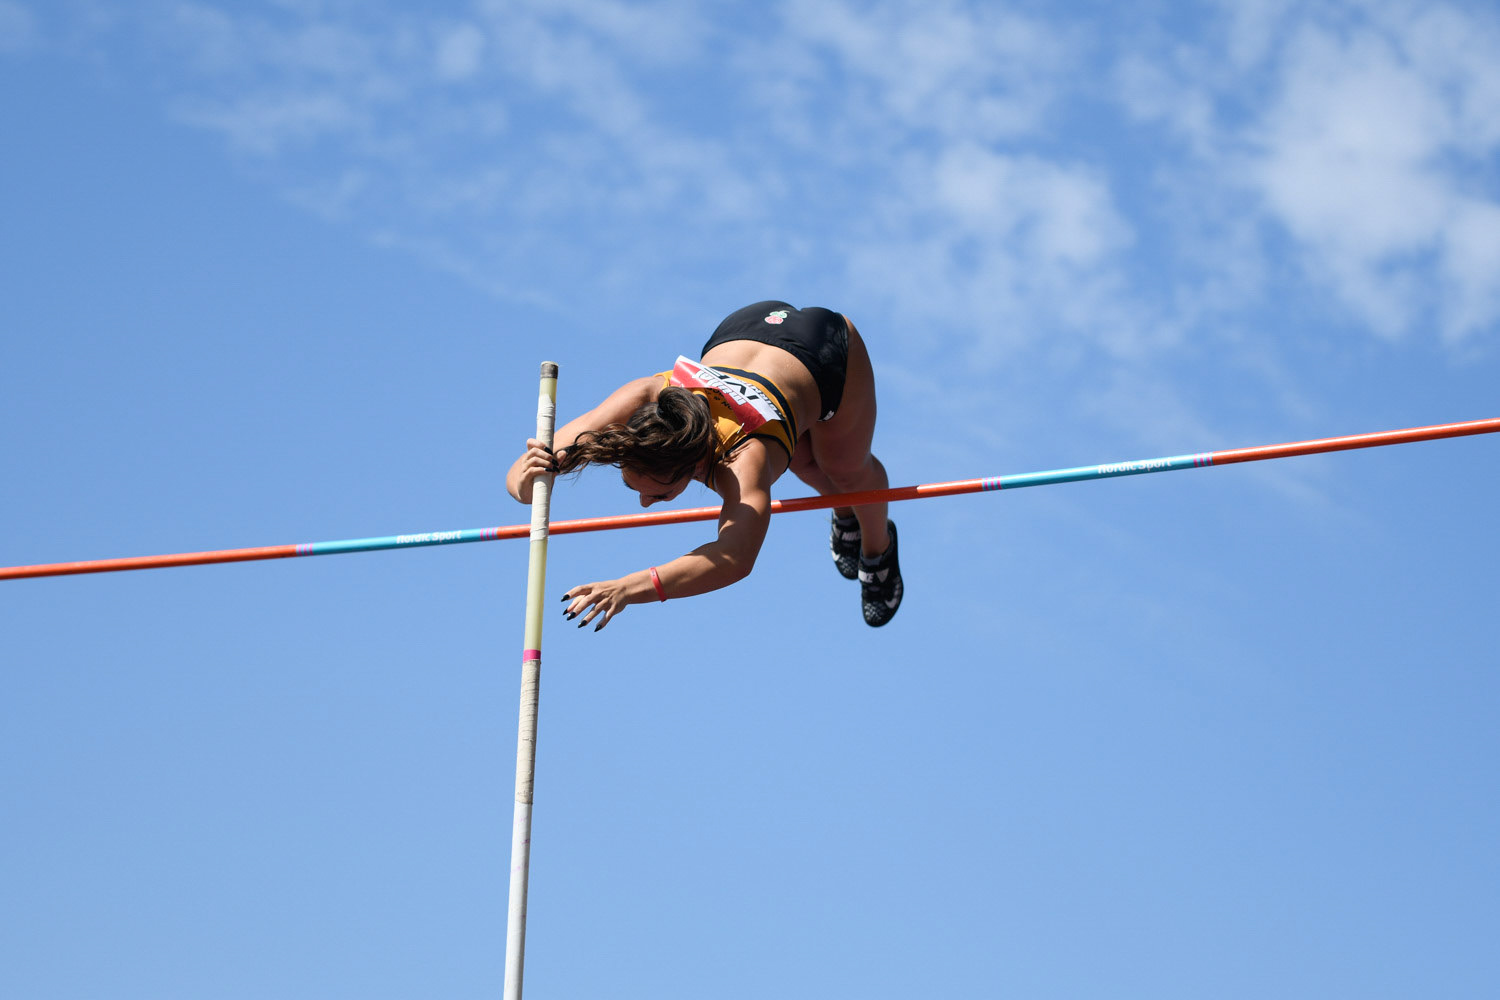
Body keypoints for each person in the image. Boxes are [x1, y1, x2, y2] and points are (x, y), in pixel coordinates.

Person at [506, 301, 902, 630]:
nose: (645, 502)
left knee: (844, 468)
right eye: (636, 488)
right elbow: (521, 473)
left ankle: (877, 547)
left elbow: (734, 558)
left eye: (658, 493)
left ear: (695, 465)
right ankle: (843, 510)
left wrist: (628, 588)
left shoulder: (744, 459)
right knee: (807, 466)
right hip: (746, 328)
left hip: (824, 348)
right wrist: (527, 483)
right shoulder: (647, 394)